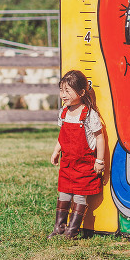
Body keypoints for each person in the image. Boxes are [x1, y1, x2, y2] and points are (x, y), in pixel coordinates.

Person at [48, 70, 105, 239]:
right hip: (67, 163)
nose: (63, 95)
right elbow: (62, 136)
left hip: (84, 163)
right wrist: (56, 150)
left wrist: (100, 160)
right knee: (64, 193)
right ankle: (59, 227)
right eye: (61, 90)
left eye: (67, 91)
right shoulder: (64, 112)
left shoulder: (88, 114)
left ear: (81, 92)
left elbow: (99, 138)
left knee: (80, 195)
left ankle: (72, 230)